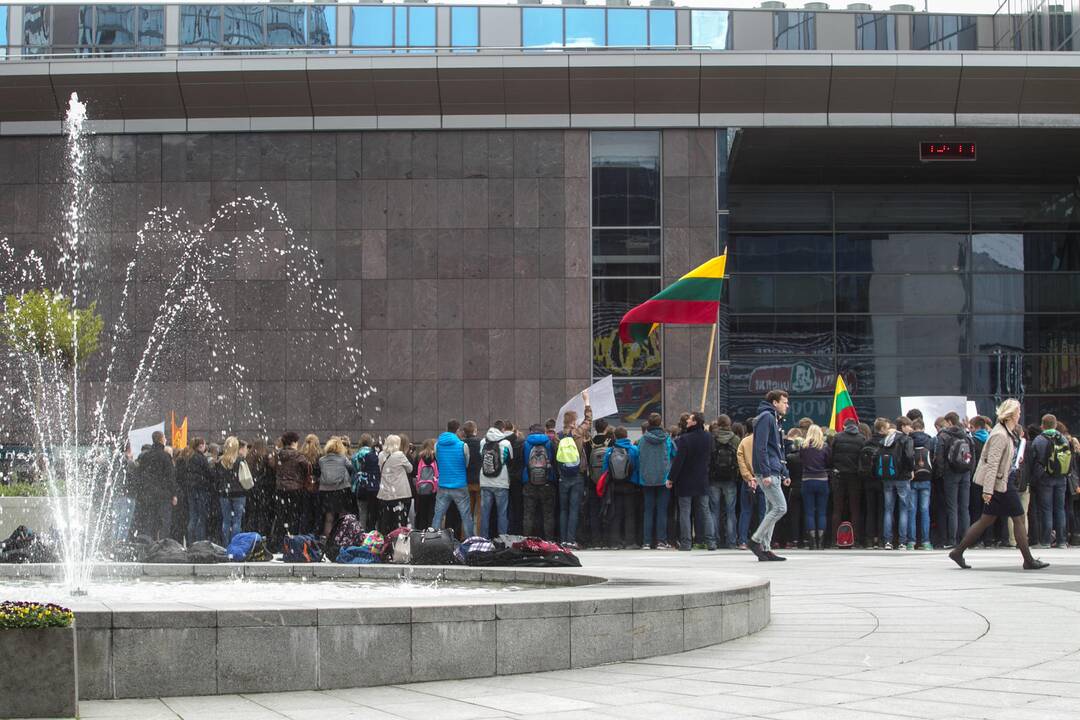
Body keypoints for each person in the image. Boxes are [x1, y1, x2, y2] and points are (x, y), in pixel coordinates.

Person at [949, 399, 1048, 571]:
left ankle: (958, 551)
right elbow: (991, 464)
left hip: (1001, 482)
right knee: (1018, 517)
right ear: (1010, 414)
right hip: (1000, 484)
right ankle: (1028, 560)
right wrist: (987, 490)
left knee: (986, 519)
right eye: (1018, 412)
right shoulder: (1000, 434)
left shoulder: (1006, 432)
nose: (1019, 415)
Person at [749, 390, 790, 561]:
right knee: (781, 508)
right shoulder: (766, 417)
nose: (787, 405)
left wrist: (784, 472)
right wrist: (765, 472)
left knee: (771, 509)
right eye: (784, 402)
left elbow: (777, 448)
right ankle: (755, 540)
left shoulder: (773, 418)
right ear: (774, 402)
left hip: (774, 470)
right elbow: (761, 447)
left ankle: (765, 548)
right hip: (768, 471)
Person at [669, 411, 715, 552]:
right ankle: (711, 542)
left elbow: (678, 461)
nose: (687, 421)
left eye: (689, 419)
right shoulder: (709, 437)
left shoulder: (685, 439)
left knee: (685, 511)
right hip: (702, 479)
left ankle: (686, 543)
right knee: (705, 510)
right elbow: (711, 457)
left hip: (685, 480)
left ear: (695, 422)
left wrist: (671, 478)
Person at [557, 397, 593, 549]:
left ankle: (563, 540)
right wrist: (587, 401)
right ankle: (571, 540)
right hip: (577, 475)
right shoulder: (577, 433)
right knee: (573, 508)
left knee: (563, 509)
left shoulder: (558, 436)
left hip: (563, 476)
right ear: (573, 421)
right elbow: (589, 420)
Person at [1031, 413, 1070, 549]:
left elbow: (1035, 460)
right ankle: (1061, 541)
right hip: (1061, 478)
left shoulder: (1039, 440)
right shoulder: (1063, 439)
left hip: (1045, 478)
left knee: (1046, 510)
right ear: (1055, 424)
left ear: (1042, 424)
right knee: (1060, 509)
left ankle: (1046, 541)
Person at [935, 412, 973, 548]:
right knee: (965, 508)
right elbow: (972, 455)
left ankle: (952, 540)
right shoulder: (966, 435)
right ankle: (966, 540)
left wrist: (941, 473)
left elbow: (939, 457)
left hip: (950, 473)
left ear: (949, 422)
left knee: (952, 508)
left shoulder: (944, 436)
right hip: (965, 473)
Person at [639, 413, 675, 550]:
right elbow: (674, 454)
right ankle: (661, 541)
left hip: (646, 478)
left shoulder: (643, 440)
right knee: (662, 510)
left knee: (648, 511)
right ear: (660, 423)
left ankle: (646, 542)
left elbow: (639, 456)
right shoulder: (667, 439)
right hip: (663, 478)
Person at [432, 420, 474, 538]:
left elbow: (438, 460)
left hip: (443, 484)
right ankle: (470, 541)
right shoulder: (463, 446)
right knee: (466, 516)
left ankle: (432, 542)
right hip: (460, 485)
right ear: (458, 430)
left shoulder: (437, 445)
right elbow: (466, 463)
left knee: (438, 516)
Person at [603, 426, 642, 549]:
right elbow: (638, 467)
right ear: (626, 436)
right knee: (630, 514)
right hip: (631, 485)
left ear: (615, 436)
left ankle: (615, 542)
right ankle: (630, 542)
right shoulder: (634, 450)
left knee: (616, 513)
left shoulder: (609, 451)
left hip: (615, 486)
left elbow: (605, 470)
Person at [269, 431, 311, 543]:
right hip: (295, 489)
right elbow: (308, 468)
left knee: (281, 516)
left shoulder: (278, 455)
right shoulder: (298, 456)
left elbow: (272, 466)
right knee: (294, 517)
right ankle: (292, 541)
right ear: (293, 442)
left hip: (280, 489)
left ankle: (279, 542)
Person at [135, 431, 177, 541]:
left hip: (149, 494)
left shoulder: (146, 456)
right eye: (165, 438)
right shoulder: (166, 456)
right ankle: (163, 544)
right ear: (161, 439)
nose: (166, 439)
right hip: (163, 494)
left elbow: (140, 474)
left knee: (150, 520)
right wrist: (174, 494)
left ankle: (149, 544)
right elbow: (170, 477)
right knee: (164, 522)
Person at [830, 418, 865, 548]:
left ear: (844, 426)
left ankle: (834, 540)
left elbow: (831, 457)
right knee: (855, 509)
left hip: (839, 476)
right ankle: (855, 540)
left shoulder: (837, 437)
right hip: (855, 476)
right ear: (856, 426)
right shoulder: (861, 439)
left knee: (837, 508)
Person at [880, 418, 914, 550]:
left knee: (888, 509)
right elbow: (910, 456)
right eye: (908, 426)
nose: (910, 429)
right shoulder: (906, 439)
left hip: (887, 476)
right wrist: (910, 470)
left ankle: (888, 541)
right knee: (904, 509)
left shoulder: (885, 439)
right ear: (902, 427)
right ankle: (902, 542)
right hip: (903, 477)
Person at [708, 415, 741, 549]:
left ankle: (714, 540)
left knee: (714, 510)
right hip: (730, 478)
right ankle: (731, 541)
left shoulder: (712, 439)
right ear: (729, 424)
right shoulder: (735, 439)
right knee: (730, 511)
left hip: (714, 478)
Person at [522, 423, 557, 540]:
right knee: (548, 514)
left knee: (528, 513)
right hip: (547, 482)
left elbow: (523, 461)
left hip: (529, 481)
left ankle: (527, 540)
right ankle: (549, 541)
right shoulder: (549, 443)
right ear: (543, 431)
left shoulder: (525, 443)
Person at [479, 421, 514, 539]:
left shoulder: (483, 441)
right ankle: (502, 540)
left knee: (485, 514)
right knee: (502, 514)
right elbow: (510, 459)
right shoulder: (506, 443)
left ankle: (484, 539)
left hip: (485, 481)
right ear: (503, 429)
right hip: (501, 482)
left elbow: (481, 457)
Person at [800, 424, 831, 550]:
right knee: (822, 511)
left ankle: (812, 542)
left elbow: (801, 460)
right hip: (822, 480)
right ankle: (821, 542)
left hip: (807, 480)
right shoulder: (825, 447)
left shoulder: (803, 447)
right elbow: (829, 462)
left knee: (809, 511)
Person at [317, 436, 354, 540]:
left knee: (329, 517)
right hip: (341, 490)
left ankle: (327, 539)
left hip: (326, 491)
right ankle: (341, 537)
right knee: (342, 515)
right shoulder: (343, 459)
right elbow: (351, 468)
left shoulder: (322, 460)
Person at [178, 437, 213, 544]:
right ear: (201, 445)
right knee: (201, 517)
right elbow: (209, 474)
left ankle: (190, 542)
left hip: (191, 490)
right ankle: (199, 542)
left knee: (193, 516)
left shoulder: (189, 457)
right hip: (200, 489)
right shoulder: (200, 458)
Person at [215, 436, 249, 545]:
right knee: (237, 520)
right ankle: (235, 544)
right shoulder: (240, 460)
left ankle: (226, 545)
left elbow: (217, 478)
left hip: (224, 493)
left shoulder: (220, 461)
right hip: (239, 493)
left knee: (226, 520)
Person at [377, 434, 414, 535]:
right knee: (400, 521)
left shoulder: (380, 455)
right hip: (400, 493)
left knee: (386, 520)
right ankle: (398, 542)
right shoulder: (399, 455)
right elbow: (410, 469)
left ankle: (386, 540)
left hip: (385, 493)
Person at [907, 419, 935, 550]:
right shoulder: (930, 440)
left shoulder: (908, 440)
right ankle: (926, 542)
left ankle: (911, 542)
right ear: (923, 428)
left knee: (911, 511)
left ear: (912, 428)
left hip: (912, 479)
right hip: (926, 478)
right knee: (925, 511)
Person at [736, 422, 764, 550]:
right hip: (764, 479)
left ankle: (742, 540)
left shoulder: (744, 442)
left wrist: (748, 477)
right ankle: (762, 540)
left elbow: (741, 461)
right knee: (763, 512)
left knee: (746, 511)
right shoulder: (764, 440)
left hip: (748, 481)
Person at [462, 421, 483, 534]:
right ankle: (478, 535)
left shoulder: (461, 443)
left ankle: (464, 536)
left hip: (466, 481)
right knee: (479, 512)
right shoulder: (481, 442)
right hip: (479, 481)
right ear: (475, 430)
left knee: (466, 511)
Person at [299, 434, 323, 535]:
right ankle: (315, 534)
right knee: (317, 512)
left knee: (306, 512)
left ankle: (304, 534)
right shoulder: (320, 456)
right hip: (317, 487)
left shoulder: (301, 455)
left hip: (304, 487)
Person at [413, 439, 438, 530]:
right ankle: (431, 531)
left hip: (420, 489)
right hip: (433, 489)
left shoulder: (418, 457)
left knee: (421, 511)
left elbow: (414, 473)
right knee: (432, 511)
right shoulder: (436, 457)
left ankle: (420, 531)